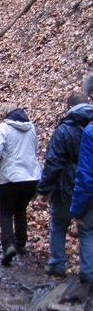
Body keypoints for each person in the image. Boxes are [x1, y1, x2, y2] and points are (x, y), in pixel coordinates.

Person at [37, 93, 92, 277]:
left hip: (65, 185)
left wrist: (44, 190)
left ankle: (57, 265)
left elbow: (53, 162)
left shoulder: (63, 130)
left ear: (69, 107)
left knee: (59, 225)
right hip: (89, 185)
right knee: (87, 230)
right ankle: (87, 272)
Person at [0, 103, 42, 266]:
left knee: (5, 212)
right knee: (21, 209)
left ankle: (8, 245)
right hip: (32, 176)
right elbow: (35, 149)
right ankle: (21, 243)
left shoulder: (4, 128)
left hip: (11, 176)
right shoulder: (31, 127)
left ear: (4, 114)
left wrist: (6, 155)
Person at [69, 111, 93, 285]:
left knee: (87, 231)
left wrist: (77, 209)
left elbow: (85, 173)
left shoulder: (90, 132)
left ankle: (88, 277)